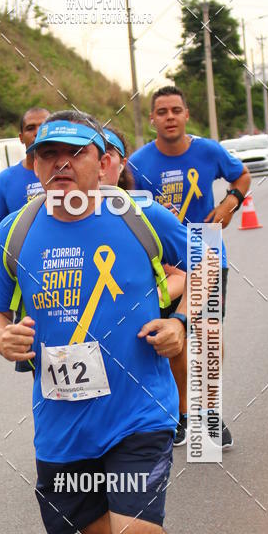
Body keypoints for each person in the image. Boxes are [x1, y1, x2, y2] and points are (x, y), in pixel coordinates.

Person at [0, 111, 199, 534]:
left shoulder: (142, 218)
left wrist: (179, 321)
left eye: (73, 154)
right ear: (34, 165)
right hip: (61, 423)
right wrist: (1, 338)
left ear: (102, 163)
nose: (60, 164)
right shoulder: (16, 232)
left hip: (139, 409)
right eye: (48, 155)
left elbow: (206, 265)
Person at [130, 85, 251, 449]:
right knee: (177, 341)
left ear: (186, 115)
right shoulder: (138, 163)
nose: (169, 117)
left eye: (176, 110)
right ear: (152, 119)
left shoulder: (208, 151)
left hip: (206, 252)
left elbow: (241, 176)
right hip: (164, 263)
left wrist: (231, 203)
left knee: (210, 334)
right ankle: (184, 414)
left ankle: (211, 412)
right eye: (162, 111)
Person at [102, 127, 189, 445]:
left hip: (155, 309)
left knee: (180, 351)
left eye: (107, 154)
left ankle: (184, 413)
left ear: (119, 162)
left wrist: (168, 311)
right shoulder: (53, 217)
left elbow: (194, 268)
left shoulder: (143, 212)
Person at [0, 107, 50, 244]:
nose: (37, 132)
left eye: (44, 127)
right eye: (30, 128)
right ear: (21, 138)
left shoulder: (69, 172)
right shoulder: (4, 180)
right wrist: (15, 238)